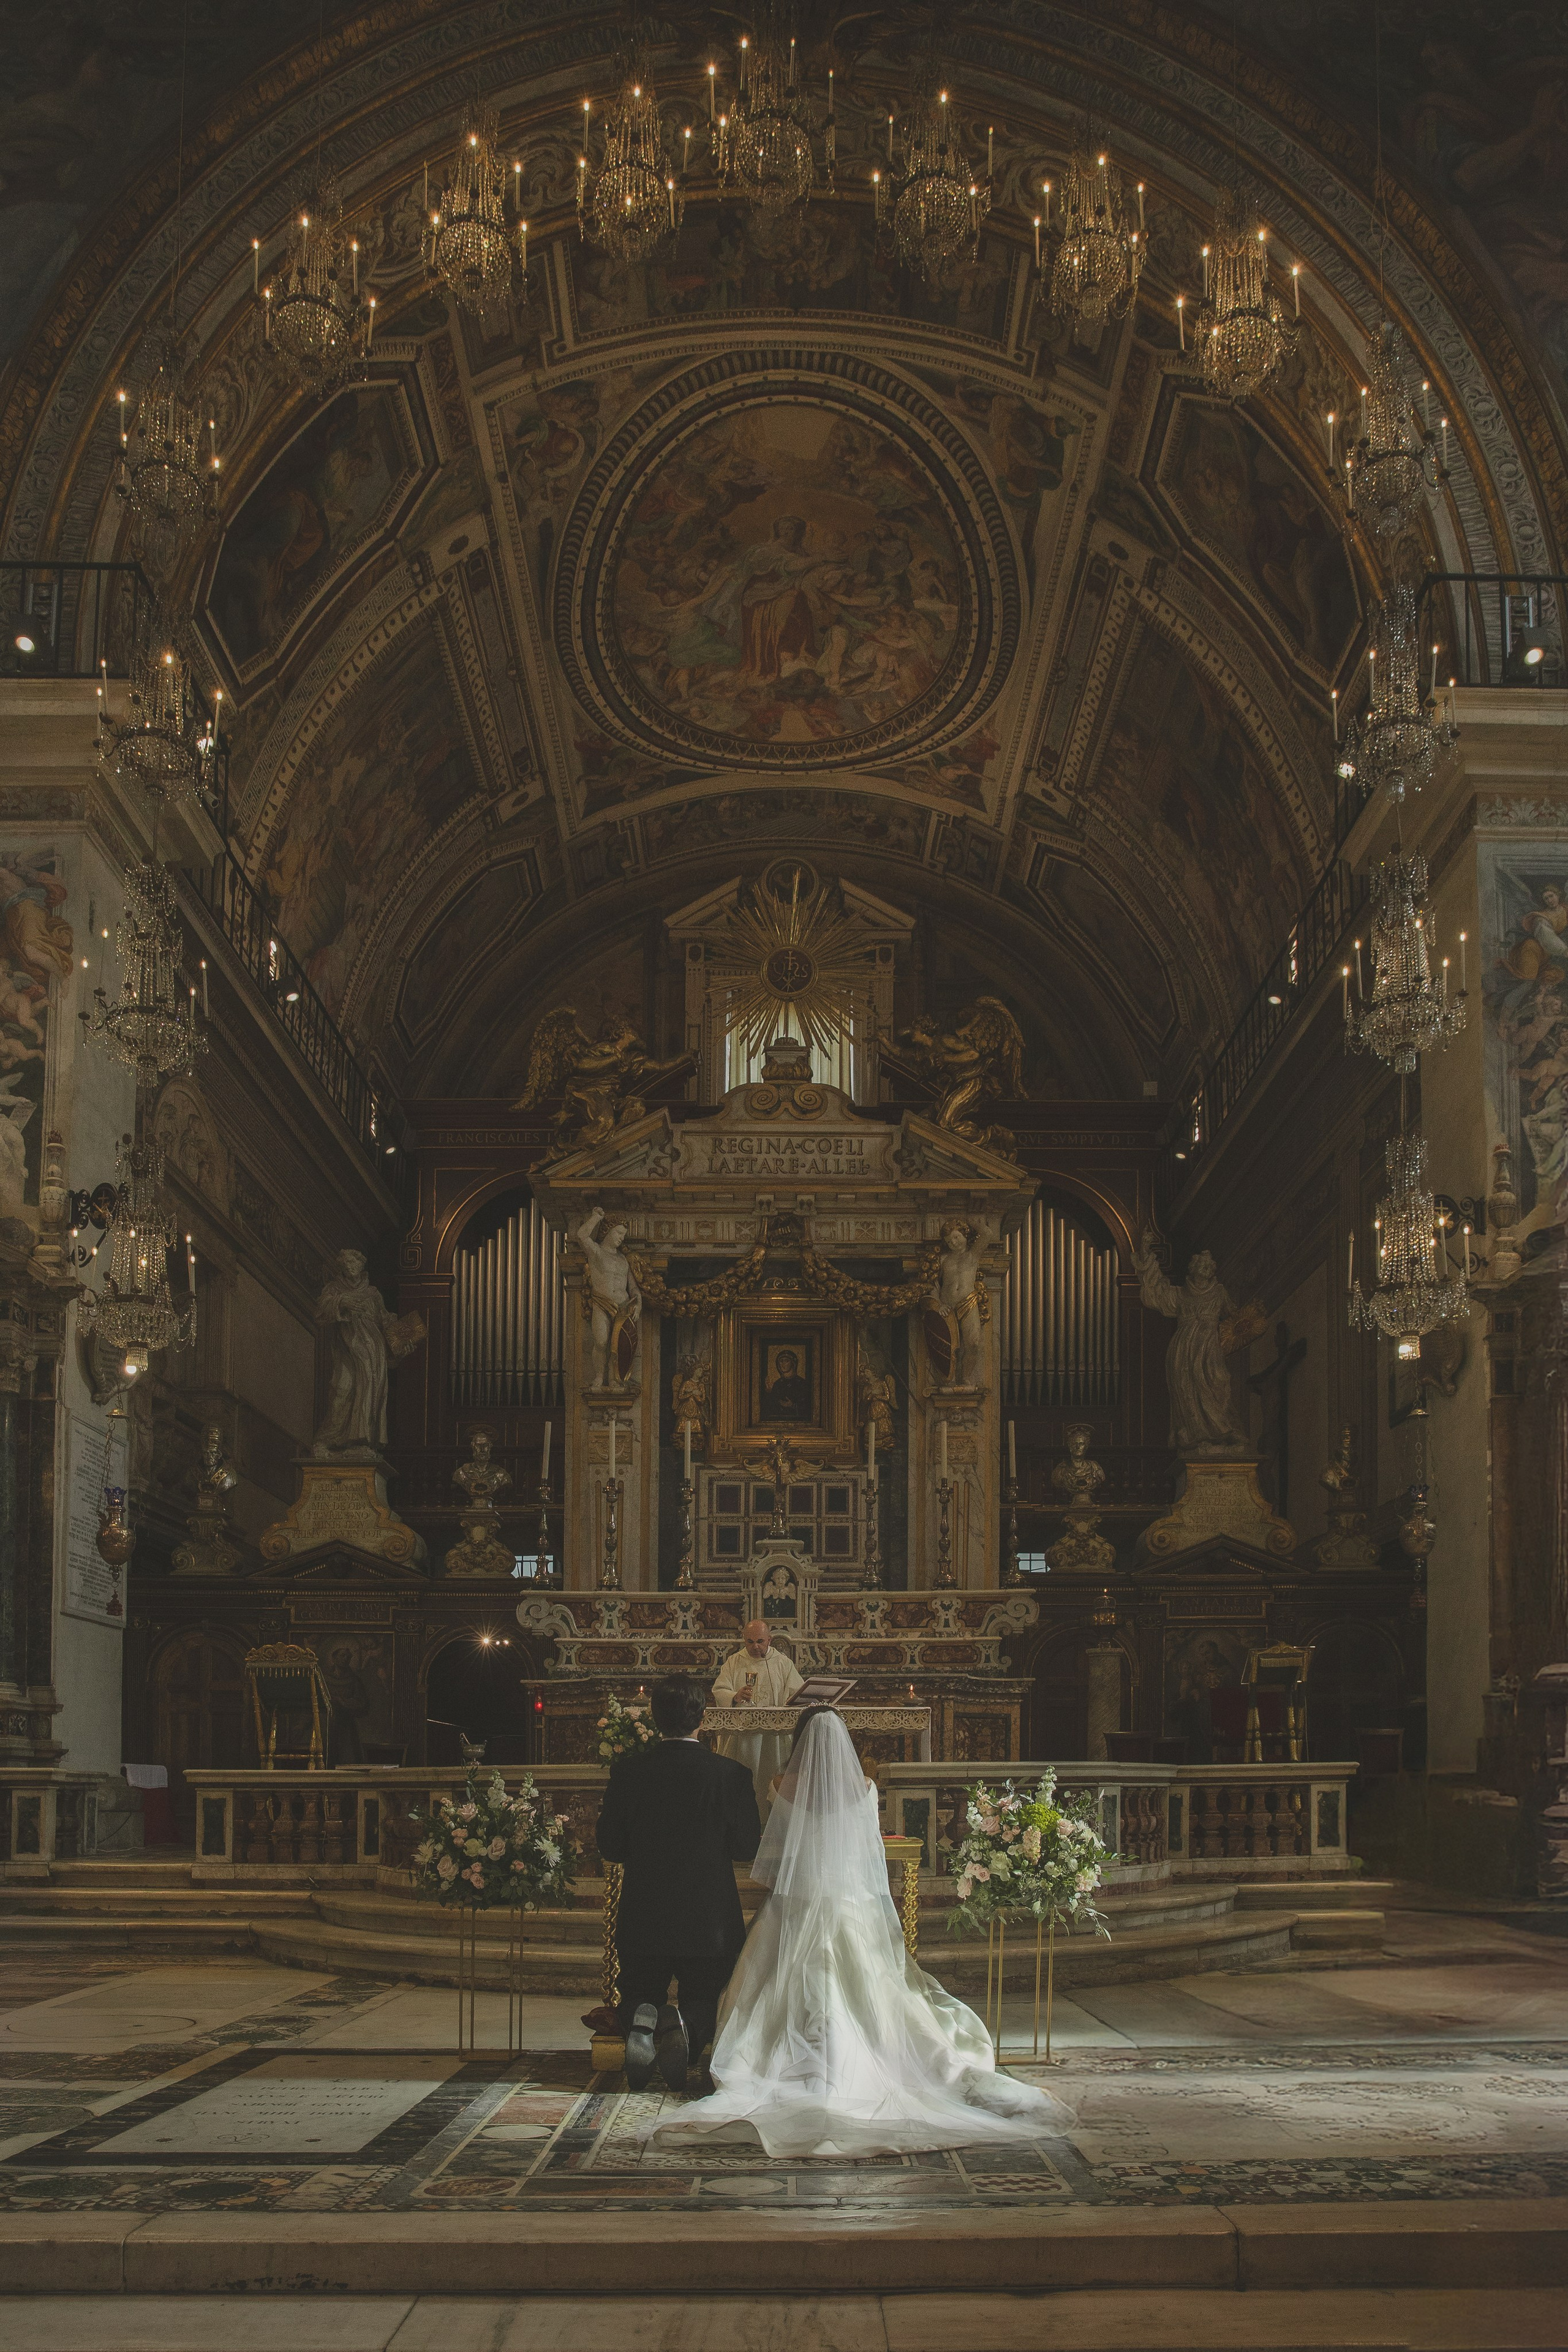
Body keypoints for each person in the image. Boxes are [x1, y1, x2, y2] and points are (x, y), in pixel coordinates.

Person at [649, 1709, 1075, 2157]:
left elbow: (775, 1851)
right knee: (881, 1994)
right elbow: (866, 1851)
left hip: (794, 1907)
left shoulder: (780, 1784)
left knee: (773, 1993)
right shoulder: (866, 1789)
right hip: (852, 1906)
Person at [596, 1674, 761, 2094]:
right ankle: (685, 2030)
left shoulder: (629, 1772)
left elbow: (610, 1847)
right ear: (702, 1719)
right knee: (706, 1994)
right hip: (709, 1917)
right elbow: (746, 1847)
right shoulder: (731, 1775)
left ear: (654, 1719)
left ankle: (643, 2019)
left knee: (637, 1987)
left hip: (644, 1910)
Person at [712, 1620, 804, 1811]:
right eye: (750, 1642)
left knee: (772, 1776)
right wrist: (734, 1696)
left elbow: (797, 1694)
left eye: (760, 1641)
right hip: (744, 1735)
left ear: (769, 1640)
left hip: (774, 1739)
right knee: (748, 1780)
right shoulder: (734, 1662)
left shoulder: (783, 1663)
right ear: (744, 1641)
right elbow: (720, 1690)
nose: (755, 1646)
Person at [761, 1346, 810, 1422]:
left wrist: (793, 1406)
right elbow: (769, 1408)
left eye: (787, 1361)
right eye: (781, 1361)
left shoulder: (801, 1383)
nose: (783, 1364)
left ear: (793, 1363)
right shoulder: (777, 1384)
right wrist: (768, 1391)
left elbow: (808, 1407)